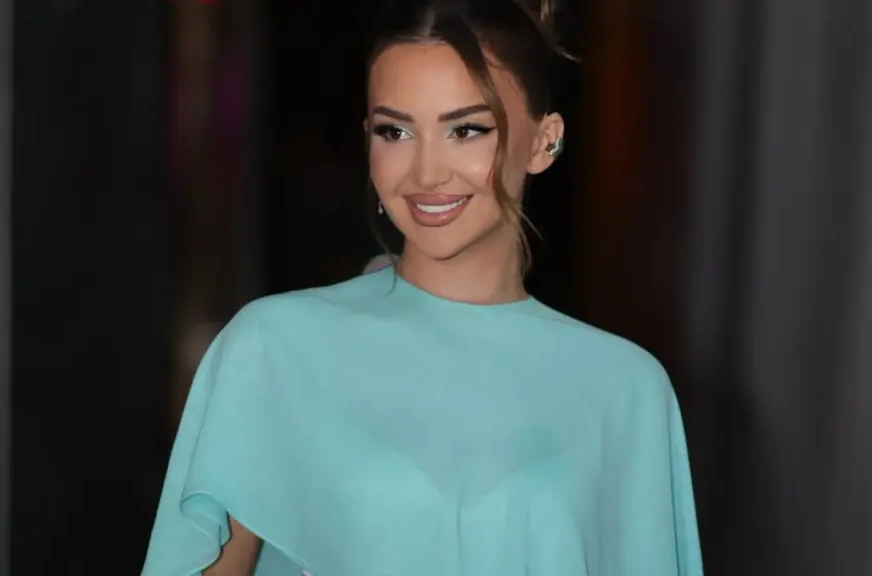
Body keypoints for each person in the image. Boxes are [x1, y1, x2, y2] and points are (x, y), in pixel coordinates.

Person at [141, 0, 704, 574]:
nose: (427, 172)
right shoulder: (275, 348)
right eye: (396, 131)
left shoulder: (625, 390)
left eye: (466, 130)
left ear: (544, 141)